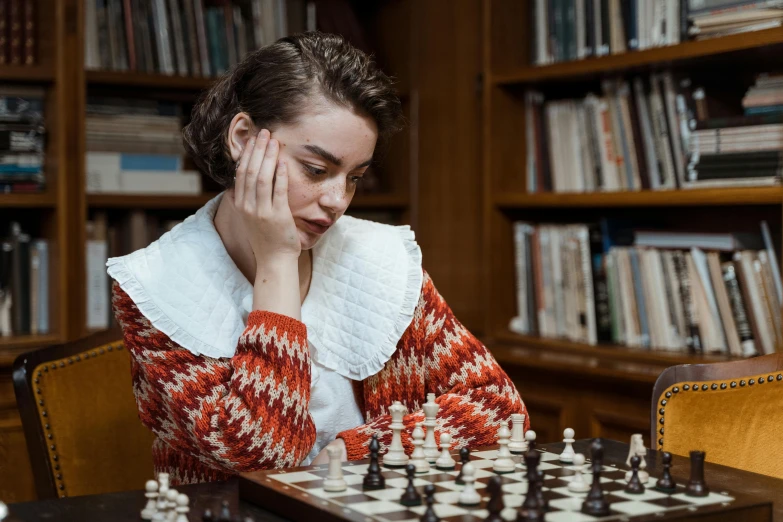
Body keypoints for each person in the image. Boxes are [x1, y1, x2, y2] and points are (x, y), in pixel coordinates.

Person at [108, 31, 529, 486]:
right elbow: (268, 457)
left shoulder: (378, 259)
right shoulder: (152, 285)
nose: (337, 201)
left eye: (354, 178)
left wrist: (355, 451)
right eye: (316, 170)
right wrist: (276, 264)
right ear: (244, 138)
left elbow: (501, 411)